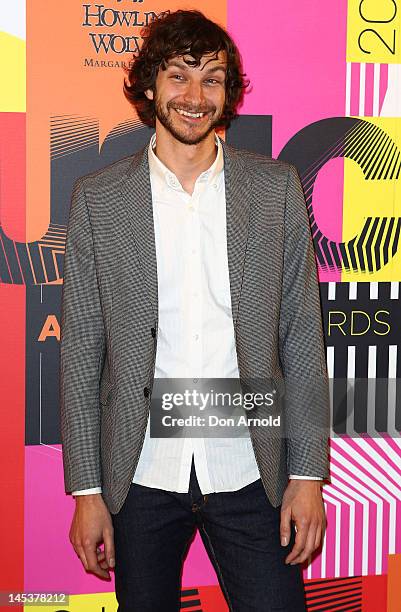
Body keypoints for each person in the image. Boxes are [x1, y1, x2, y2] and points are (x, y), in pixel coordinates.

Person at [60, 9, 330, 612]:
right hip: (140, 475)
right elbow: (80, 354)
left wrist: (308, 476)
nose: (194, 95)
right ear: (150, 85)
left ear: (228, 94)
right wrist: (86, 490)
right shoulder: (99, 199)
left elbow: (302, 344)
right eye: (178, 76)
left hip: (250, 471)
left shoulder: (276, 188)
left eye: (212, 78)